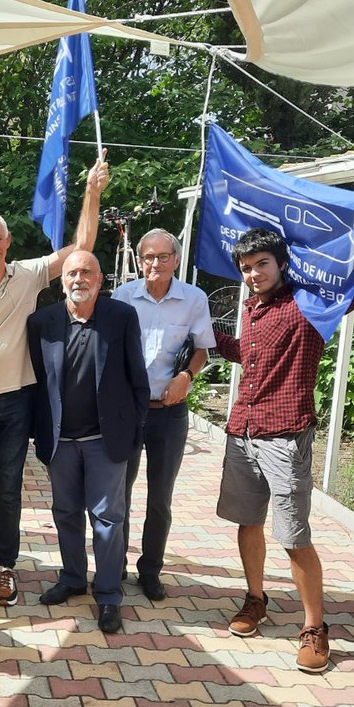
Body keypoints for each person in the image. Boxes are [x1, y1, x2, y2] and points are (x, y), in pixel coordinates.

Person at [213, 198, 354, 673]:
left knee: (294, 535)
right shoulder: (251, 309)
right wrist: (202, 335)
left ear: (281, 264)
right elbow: (249, 356)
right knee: (248, 522)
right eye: (246, 267)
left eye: (262, 265)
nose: (254, 273)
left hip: (285, 434)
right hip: (243, 430)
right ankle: (255, 600)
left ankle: (315, 627)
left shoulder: (309, 304)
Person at [0, 150, 110, 606]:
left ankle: (6, 567)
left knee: (9, 487)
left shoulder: (28, 275)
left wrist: (91, 193)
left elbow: (82, 248)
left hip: (17, 400)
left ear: (8, 240)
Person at [28, 251, 148, 633]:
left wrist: (133, 434)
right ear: (61, 280)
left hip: (105, 440)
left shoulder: (121, 317)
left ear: (100, 279)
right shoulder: (41, 322)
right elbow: (35, 381)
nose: (79, 278)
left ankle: (109, 594)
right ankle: (73, 578)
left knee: (108, 519)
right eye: (72, 272)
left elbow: (137, 381)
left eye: (87, 271)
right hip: (60, 439)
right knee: (65, 513)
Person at [111, 228, 214, 602]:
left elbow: (203, 349)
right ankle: (114, 565)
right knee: (117, 493)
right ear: (140, 261)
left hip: (168, 413)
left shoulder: (193, 299)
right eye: (149, 257)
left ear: (176, 259)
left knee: (160, 498)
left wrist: (187, 376)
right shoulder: (123, 297)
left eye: (163, 257)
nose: (156, 263)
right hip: (127, 410)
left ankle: (150, 570)